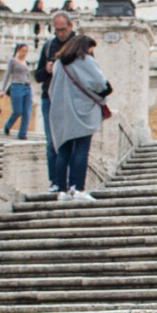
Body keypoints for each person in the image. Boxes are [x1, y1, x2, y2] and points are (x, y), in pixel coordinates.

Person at [46, 33, 111, 203]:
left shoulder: (59, 63)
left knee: (63, 151)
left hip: (61, 111)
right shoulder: (85, 60)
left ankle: (62, 191)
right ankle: (79, 189)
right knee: (82, 150)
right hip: (82, 111)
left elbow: (51, 88)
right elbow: (99, 82)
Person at [35, 9, 77, 196]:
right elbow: (38, 76)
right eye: (57, 30)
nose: (60, 34)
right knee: (52, 143)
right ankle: (55, 181)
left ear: (71, 26)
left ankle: (72, 181)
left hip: (72, 99)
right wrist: (46, 69)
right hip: (50, 98)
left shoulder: (79, 45)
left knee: (72, 141)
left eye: (63, 29)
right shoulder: (48, 46)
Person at [2, 43, 35, 139]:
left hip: (27, 87)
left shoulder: (26, 63)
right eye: (23, 51)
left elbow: (28, 76)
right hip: (16, 86)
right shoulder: (12, 61)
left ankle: (22, 134)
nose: (24, 53)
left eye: (26, 51)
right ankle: (8, 125)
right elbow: (7, 75)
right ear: (18, 51)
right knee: (17, 110)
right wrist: (2, 89)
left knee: (27, 112)